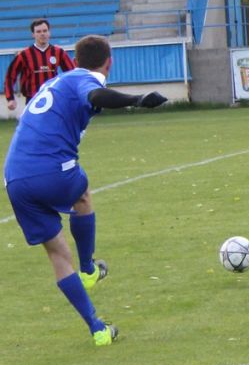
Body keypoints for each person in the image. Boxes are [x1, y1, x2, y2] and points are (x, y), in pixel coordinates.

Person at [3, 35, 167, 346]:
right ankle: (89, 269)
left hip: (14, 178)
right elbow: (95, 94)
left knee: (57, 253)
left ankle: (98, 329)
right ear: (109, 61)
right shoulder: (83, 78)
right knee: (82, 192)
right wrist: (137, 99)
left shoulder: (57, 81)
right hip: (49, 169)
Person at [4, 19, 75, 112]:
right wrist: (10, 98)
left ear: (49, 33)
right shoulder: (24, 54)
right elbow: (10, 76)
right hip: (32, 99)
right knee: (34, 126)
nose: (42, 34)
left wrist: (74, 94)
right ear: (33, 34)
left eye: (45, 31)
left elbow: (72, 74)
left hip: (53, 98)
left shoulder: (59, 52)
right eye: (38, 31)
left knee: (54, 126)